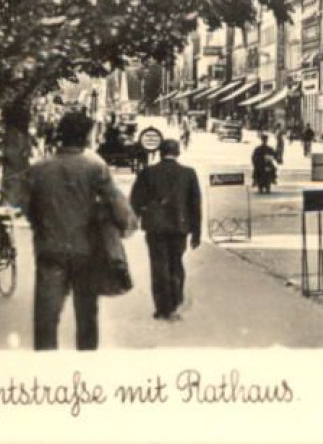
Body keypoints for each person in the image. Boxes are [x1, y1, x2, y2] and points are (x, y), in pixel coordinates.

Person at [22, 111, 136, 351]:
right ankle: (85, 366)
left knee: (46, 317)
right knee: (86, 316)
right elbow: (117, 204)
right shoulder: (95, 166)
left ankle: (44, 368)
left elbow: (29, 209)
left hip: (50, 248)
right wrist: (125, 225)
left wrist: (44, 226)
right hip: (86, 250)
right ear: (85, 136)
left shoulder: (39, 169)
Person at [129, 139, 202, 322]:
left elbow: (136, 200)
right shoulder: (188, 173)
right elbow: (195, 204)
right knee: (176, 263)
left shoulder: (148, 173)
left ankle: (162, 307)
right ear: (177, 153)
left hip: (155, 228)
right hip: (180, 227)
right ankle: (175, 302)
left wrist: (134, 220)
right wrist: (196, 232)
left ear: (160, 152)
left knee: (158, 265)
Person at [1, 104, 35, 207]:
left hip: (14, 176)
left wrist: (0, 155)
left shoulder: (13, 134)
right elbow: (28, 154)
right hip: (21, 175)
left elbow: (11, 154)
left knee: (10, 207)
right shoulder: (25, 135)